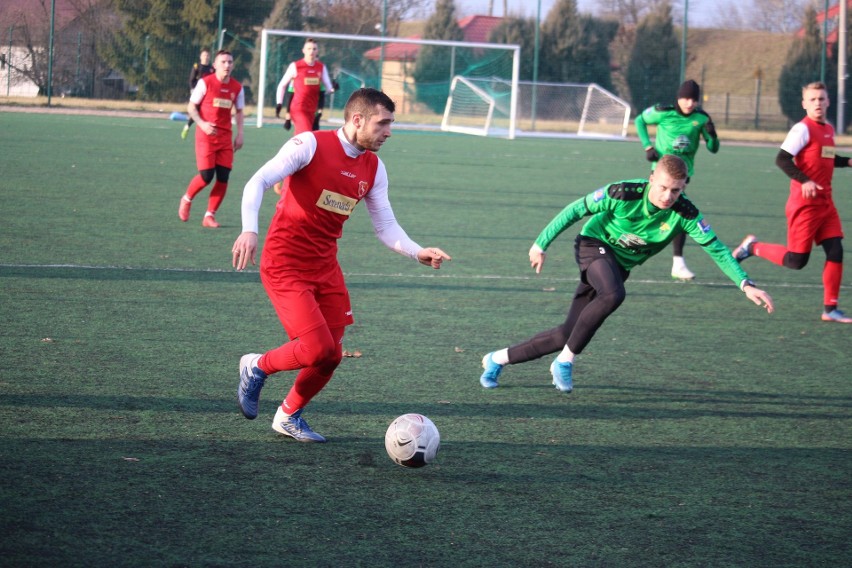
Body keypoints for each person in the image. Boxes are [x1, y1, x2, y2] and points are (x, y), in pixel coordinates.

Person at [231, 88, 451, 442]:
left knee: (331, 355)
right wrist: (249, 230)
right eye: (383, 123)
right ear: (357, 120)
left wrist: (417, 251)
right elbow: (258, 181)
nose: (389, 132)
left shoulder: (374, 167)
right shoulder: (309, 145)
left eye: (391, 124)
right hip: (284, 263)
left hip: (325, 267)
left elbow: (386, 225)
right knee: (316, 348)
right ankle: (256, 366)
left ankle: (288, 415)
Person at [479, 154, 774, 393]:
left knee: (566, 333)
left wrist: (745, 283)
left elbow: (718, 249)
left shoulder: (685, 214)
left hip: (618, 265)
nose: (668, 195)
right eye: (662, 187)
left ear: (684, 187)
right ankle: (565, 362)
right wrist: (541, 243)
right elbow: (575, 209)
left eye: (676, 190)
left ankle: (497, 359)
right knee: (613, 293)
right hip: (593, 245)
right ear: (651, 180)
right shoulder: (623, 192)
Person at [732, 81, 851, 324]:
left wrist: (847, 162)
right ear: (804, 104)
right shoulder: (802, 129)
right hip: (804, 205)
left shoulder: (828, 128)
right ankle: (752, 247)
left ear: (828, 102)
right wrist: (805, 181)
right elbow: (782, 159)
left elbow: (826, 158)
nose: (817, 103)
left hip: (826, 204)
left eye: (821, 98)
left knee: (836, 250)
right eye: (813, 99)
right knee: (796, 261)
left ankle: (830, 309)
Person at [636, 79, 720, 280]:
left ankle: (677, 262)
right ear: (678, 97)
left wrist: (713, 135)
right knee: (657, 209)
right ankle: (646, 247)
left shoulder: (701, 119)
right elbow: (639, 120)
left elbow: (713, 149)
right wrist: (648, 146)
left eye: (693, 99)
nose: (689, 103)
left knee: (677, 215)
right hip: (662, 173)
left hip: (683, 177)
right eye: (685, 98)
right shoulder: (663, 112)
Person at [178, 49, 245, 229]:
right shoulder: (205, 83)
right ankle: (187, 199)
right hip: (206, 136)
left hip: (225, 138)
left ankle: (209, 215)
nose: (227, 65)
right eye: (223, 62)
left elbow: (239, 112)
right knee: (207, 176)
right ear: (214, 65)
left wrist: (240, 133)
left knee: (223, 177)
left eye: (230, 62)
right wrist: (202, 124)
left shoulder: (237, 88)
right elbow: (191, 107)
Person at [274, 38, 335, 135]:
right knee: (306, 135)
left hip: (312, 110)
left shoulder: (321, 67)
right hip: (298, 108)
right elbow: (282, 85)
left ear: (317, 51)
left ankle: (292, 150)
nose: (312, 51)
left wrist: (333, 88)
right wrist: (279, 103)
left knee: (303, 138)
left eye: (314, 49)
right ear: (303, 50)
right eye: (309, 48)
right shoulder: (296, 66)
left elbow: (328, 89)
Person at [181, 48, 214, 140]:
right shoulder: (197, 67)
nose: (206, 57)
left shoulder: (212, 69)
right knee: (197, 111)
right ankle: (187, 126)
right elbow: (191, 80)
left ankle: (207, 130)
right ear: (200, 57)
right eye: (204, 55)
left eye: (207, 55)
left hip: (209, 94)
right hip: (198, 93)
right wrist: (193, 91)